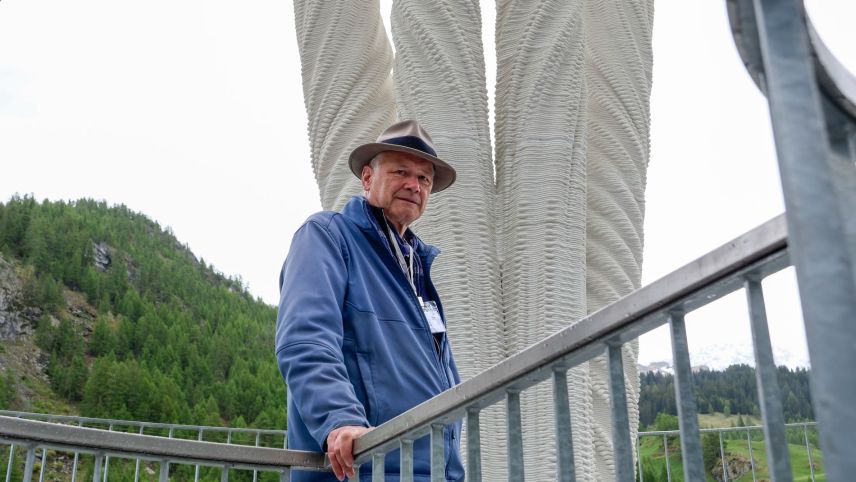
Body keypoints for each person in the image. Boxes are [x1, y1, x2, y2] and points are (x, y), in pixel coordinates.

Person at [276, 120, 465, 482]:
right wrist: (340, 419)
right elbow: (306, 339)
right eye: (400, 172)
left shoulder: (418, 268)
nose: (414, 185)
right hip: (364, 469)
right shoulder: (328, 237)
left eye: (424, 179)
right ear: (367, 178)